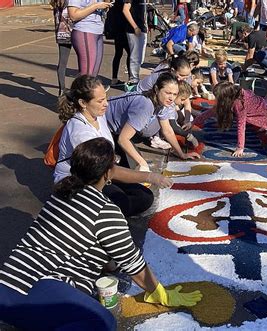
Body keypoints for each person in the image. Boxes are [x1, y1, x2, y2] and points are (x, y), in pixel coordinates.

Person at [0, 138, 202, 330]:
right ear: (108, 173)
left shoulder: (61, 192)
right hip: (37, 294)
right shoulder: (105, 211)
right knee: (103, 322)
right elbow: (133, 264)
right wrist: (160, 293)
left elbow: (80, 241)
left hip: (6, 288)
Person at [55, 75, 172, 217]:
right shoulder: (80, 132)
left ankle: (106, 209)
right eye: (100, 101)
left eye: (105, 98)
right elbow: (108, 171)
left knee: (144, 196)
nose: (106, 104)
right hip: (80, 182)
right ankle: (84, 212)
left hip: (101, 174)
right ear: (83, 103)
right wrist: (150, 177)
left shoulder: (98, 115)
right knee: (121, 202)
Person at [106, 72, 200, 168]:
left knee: (133, 163)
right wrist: (143, 164)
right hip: (100, 126)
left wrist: (182, 154)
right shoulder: (145, 105)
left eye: (174, 94)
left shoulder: (163, 103)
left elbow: (167, 130)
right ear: (156, 89)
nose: (171, 98)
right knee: (127, 166)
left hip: (113, 131)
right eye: (168, 93)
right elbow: (123, 139)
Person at [67, 0, 112, 76]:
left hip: (98, 31)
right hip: (85, 30)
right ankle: (83, 88)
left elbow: (102, 10)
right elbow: (73, 15)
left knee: (93, 74)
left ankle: (89, 88)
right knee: (87, 74)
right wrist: (96, 6)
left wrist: (106, 4)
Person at [123, 0, 148, 85]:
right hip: (134, 29)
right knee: (135, 56)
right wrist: (135, 27)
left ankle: (135, 78)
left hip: (142, 27)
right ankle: (134, 79)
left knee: (140, 57)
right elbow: (125, 10)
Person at [51, 0, 73, 96]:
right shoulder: (69, 2)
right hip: (73, 32)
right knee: (84, 60)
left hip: (61, 34)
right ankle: (84, 88)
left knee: (62, 62)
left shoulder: (55, 2)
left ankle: (62, 89)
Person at [108, 0, 131, 86]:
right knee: (131, 54)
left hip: (117, 30)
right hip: (125, 30)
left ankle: (114, 78)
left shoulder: (116, 3)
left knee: (118, 54)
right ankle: (131, 78)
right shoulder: (126, 2)